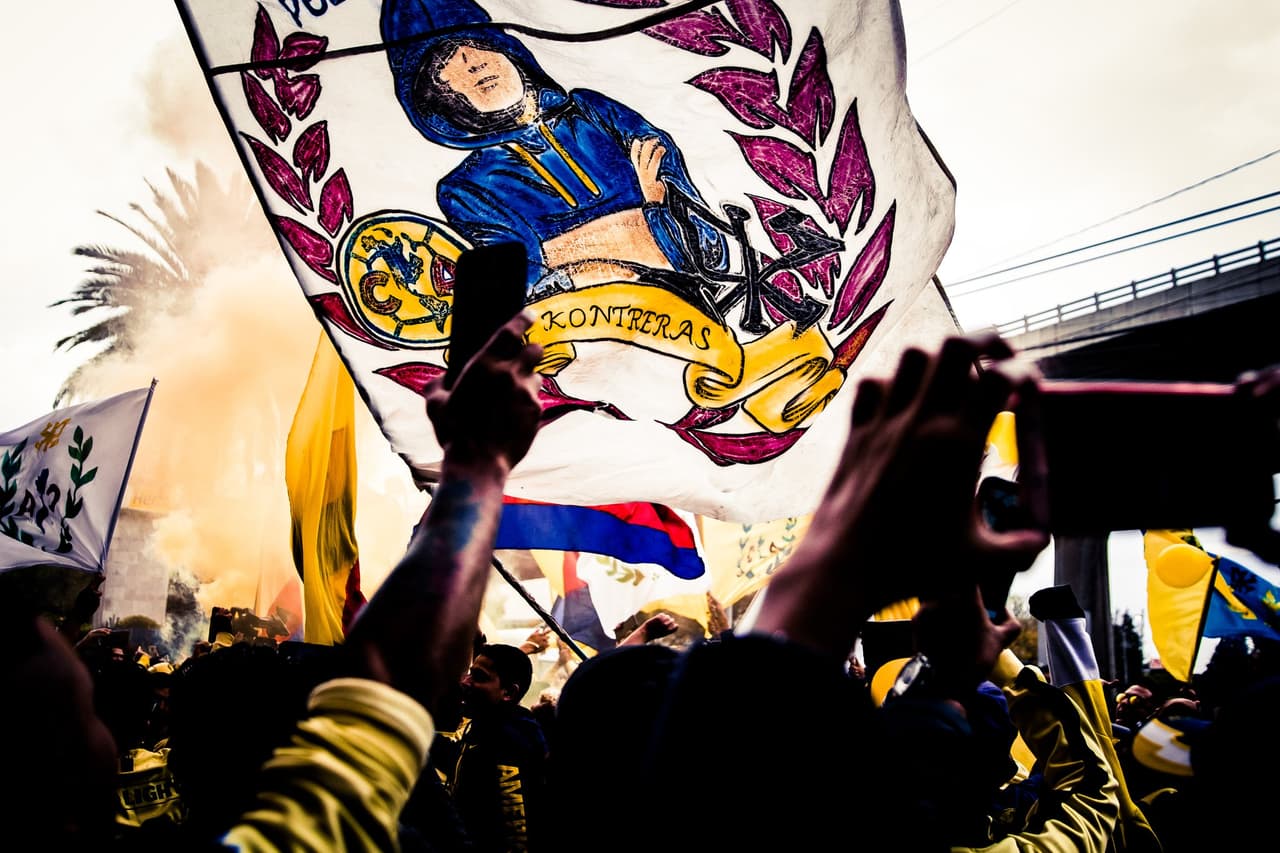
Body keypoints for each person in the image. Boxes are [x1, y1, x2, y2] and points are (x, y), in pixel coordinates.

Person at [382, 0, 728, 297]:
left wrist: (566, 251)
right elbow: (529, 286)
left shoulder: (596, 112)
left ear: (506, 49)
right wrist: (643, 219)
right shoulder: (467, 191)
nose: (473, 63)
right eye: (446, 62)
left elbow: (707, 246)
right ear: (436, 91)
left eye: (477, 44)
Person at [434, 643, 551, 852]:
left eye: (479, 677)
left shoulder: (510, 745)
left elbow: (516, 833)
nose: (465, 682)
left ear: (508, 693)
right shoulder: (484, 725)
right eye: (470, 673)